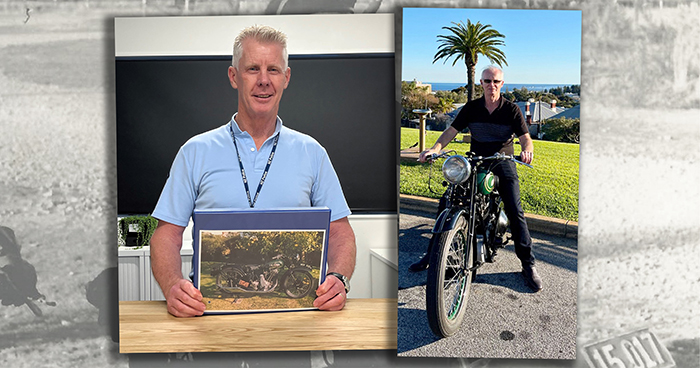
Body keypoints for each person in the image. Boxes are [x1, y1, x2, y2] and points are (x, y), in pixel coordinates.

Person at [150, 25, 357, 317]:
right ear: (234, 77)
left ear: (286, 78)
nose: (263, 80)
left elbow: (341, 234)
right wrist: (173, 285)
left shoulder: (313, 153)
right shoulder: (195, 151)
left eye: (273, 69)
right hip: (208, 319)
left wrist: (338, 279)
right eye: (252, 69)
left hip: (298, 321)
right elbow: (166, 236)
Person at [409, 65, 542, 292]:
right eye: (487, 81)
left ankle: (527, 264)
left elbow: (525, 138)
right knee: (447, 201)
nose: (492, 85)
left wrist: (527, 150)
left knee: (514, 208)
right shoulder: (471, 108)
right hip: (476, 158)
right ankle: (433, 255)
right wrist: (435, 148)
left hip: (502, 160)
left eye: (496, 81)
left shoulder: (511, 109)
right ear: (481, 83)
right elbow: (451, 131)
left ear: (502, 84)